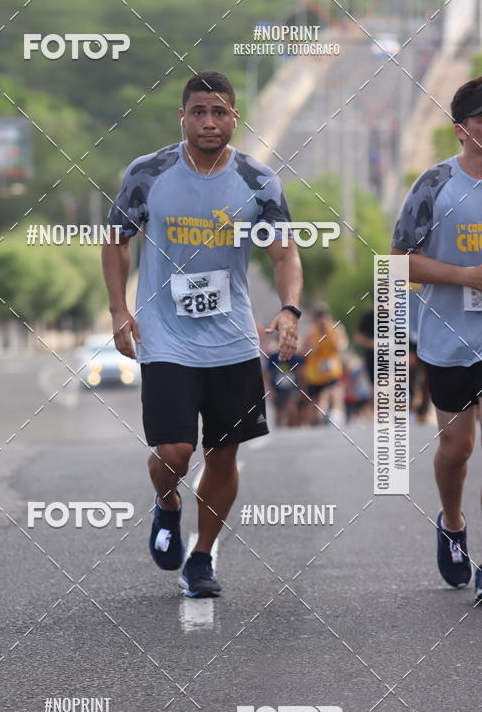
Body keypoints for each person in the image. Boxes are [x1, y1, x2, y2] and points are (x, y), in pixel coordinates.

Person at [101, 71, 303, 598]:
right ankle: (167, 504)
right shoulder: (149, 173)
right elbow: (116, 241)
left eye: (220, 113)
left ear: (235, 117)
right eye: (198, 112)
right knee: (173, 452)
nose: (209, 123)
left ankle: (202, 557)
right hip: (165, 336)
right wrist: (119, 309)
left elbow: (284, 253)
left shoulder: (259, 182)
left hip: (232, 339)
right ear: (182, 117)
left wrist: (289, 310)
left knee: (223, 454)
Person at [391, 76, 482, 600]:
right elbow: (398, 264)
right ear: (461, 130)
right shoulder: (435, 184)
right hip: (449, 338)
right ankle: (452, 522)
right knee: (457, 448)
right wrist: (465, 275)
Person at [301, 305, 347, 426]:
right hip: (315, 374)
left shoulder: (336, 329)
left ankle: (335, 418)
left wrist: (336, 342)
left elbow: (342, 344)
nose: (322, 323)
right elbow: (303, 351)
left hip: (332, 371)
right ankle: (315, 422)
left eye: (325, 319)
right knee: (315, 401)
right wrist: (312, 349)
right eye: (319, 319)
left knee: (332, 393)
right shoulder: (311, 333)